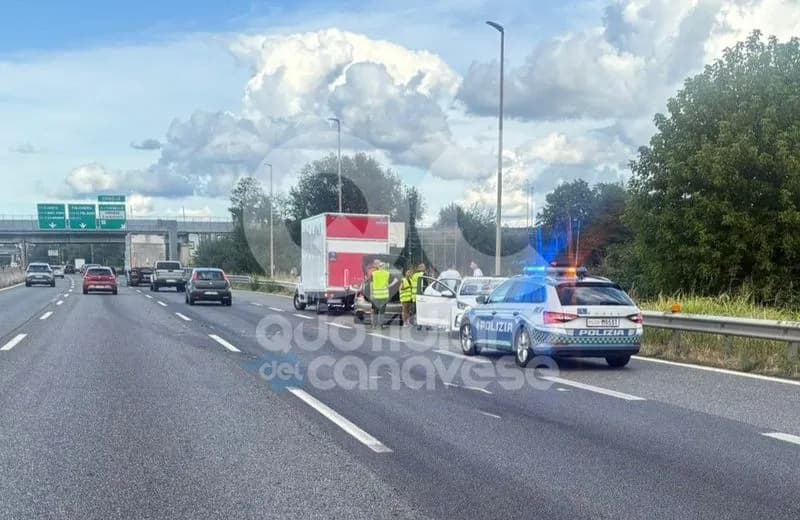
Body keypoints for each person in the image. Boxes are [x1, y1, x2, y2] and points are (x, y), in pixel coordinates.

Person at [370, 262, 397, 328]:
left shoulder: (374, 274)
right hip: (384, 296)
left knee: (375, 311)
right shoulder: (387, 274)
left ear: (379, 267)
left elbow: (371, 284)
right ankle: (381, 325)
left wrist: (371, 294)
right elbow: (395, 280)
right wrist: (389, 285)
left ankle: (374, 325)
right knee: (382, 312)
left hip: (376, 296)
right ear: (384, 267)